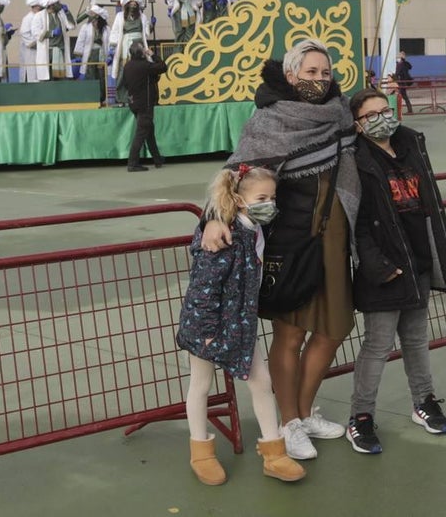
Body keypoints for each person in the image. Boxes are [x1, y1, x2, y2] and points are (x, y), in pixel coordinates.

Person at [201, 38, 359, 461]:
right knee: (290, 335)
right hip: (290, 245)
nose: (319, 81)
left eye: (325, 73)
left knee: (333, 330)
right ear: (290, 76)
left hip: (336, 242)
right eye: (310, 73)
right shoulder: (269, 121)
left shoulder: (340, 115)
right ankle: (288, 422)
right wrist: (216, 217)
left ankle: (304, 414)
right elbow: (236, 176)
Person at [345, 88, 446, 455]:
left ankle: (423, 401)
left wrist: (440, 243)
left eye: (385, 109)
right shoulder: (356, 161)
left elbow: (431, 204)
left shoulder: (411, 148)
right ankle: (360, 417)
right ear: (358, 125)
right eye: (371, 114)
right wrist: (379, 266)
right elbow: (356, 224)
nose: (382, 117)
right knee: (377, 345)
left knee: (415, 338)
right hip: (384, 269)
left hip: (418, 262)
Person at [176, 165, 306, 485]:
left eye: (272, 197)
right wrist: (206, 332)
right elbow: (202, 289)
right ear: (238, 197)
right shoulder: (223, 237)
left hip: (241, 323)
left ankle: (274, 452)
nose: (269, 204)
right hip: (208, 325)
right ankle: (201, 452)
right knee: (201, 384)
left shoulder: (258, 229)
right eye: (261, 197)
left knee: (261, 382)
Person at [118, 42, 167, 172]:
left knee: (149, 131)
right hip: (145, 104)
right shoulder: (145, 66)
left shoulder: (127, 66)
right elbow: (163, 67)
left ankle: (157, 159)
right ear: (141, 53)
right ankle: (132, 163)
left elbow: (125, 84)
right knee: (141, 133)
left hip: (134, 102)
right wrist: (152, 55)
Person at [109, 0, 150, 105]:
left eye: (135, 4)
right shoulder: (120, 16)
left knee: (139, 70)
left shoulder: (142, 17)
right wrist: (112, 46)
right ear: (126, 5)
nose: (133, 6)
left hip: (139, 46)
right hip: (125, 46)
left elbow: (146, 33)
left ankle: (139, 97)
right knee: (124, 70)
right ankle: (122, 98)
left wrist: (150, 27)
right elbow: (115, 31)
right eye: (130, 4)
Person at [73, 5, 110, 98]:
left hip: (102, 56)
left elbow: (109, 42)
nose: (90, 16)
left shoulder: (106, 29)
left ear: (98, 16)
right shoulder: (85, 27)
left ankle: (101, 98)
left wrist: (110, 55)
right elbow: (80, 41)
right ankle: (91, 98)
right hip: (89, 56)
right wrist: (78, 56)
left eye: (92, 14)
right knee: (90, 76)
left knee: (101, 77)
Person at [19, 0, 43, 83]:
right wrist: (37, 42)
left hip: (38, 52)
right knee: (31, 73)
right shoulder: (28, 18)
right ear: (36, 6)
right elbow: (24, 33)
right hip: (30, 52)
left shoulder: (39, 17)